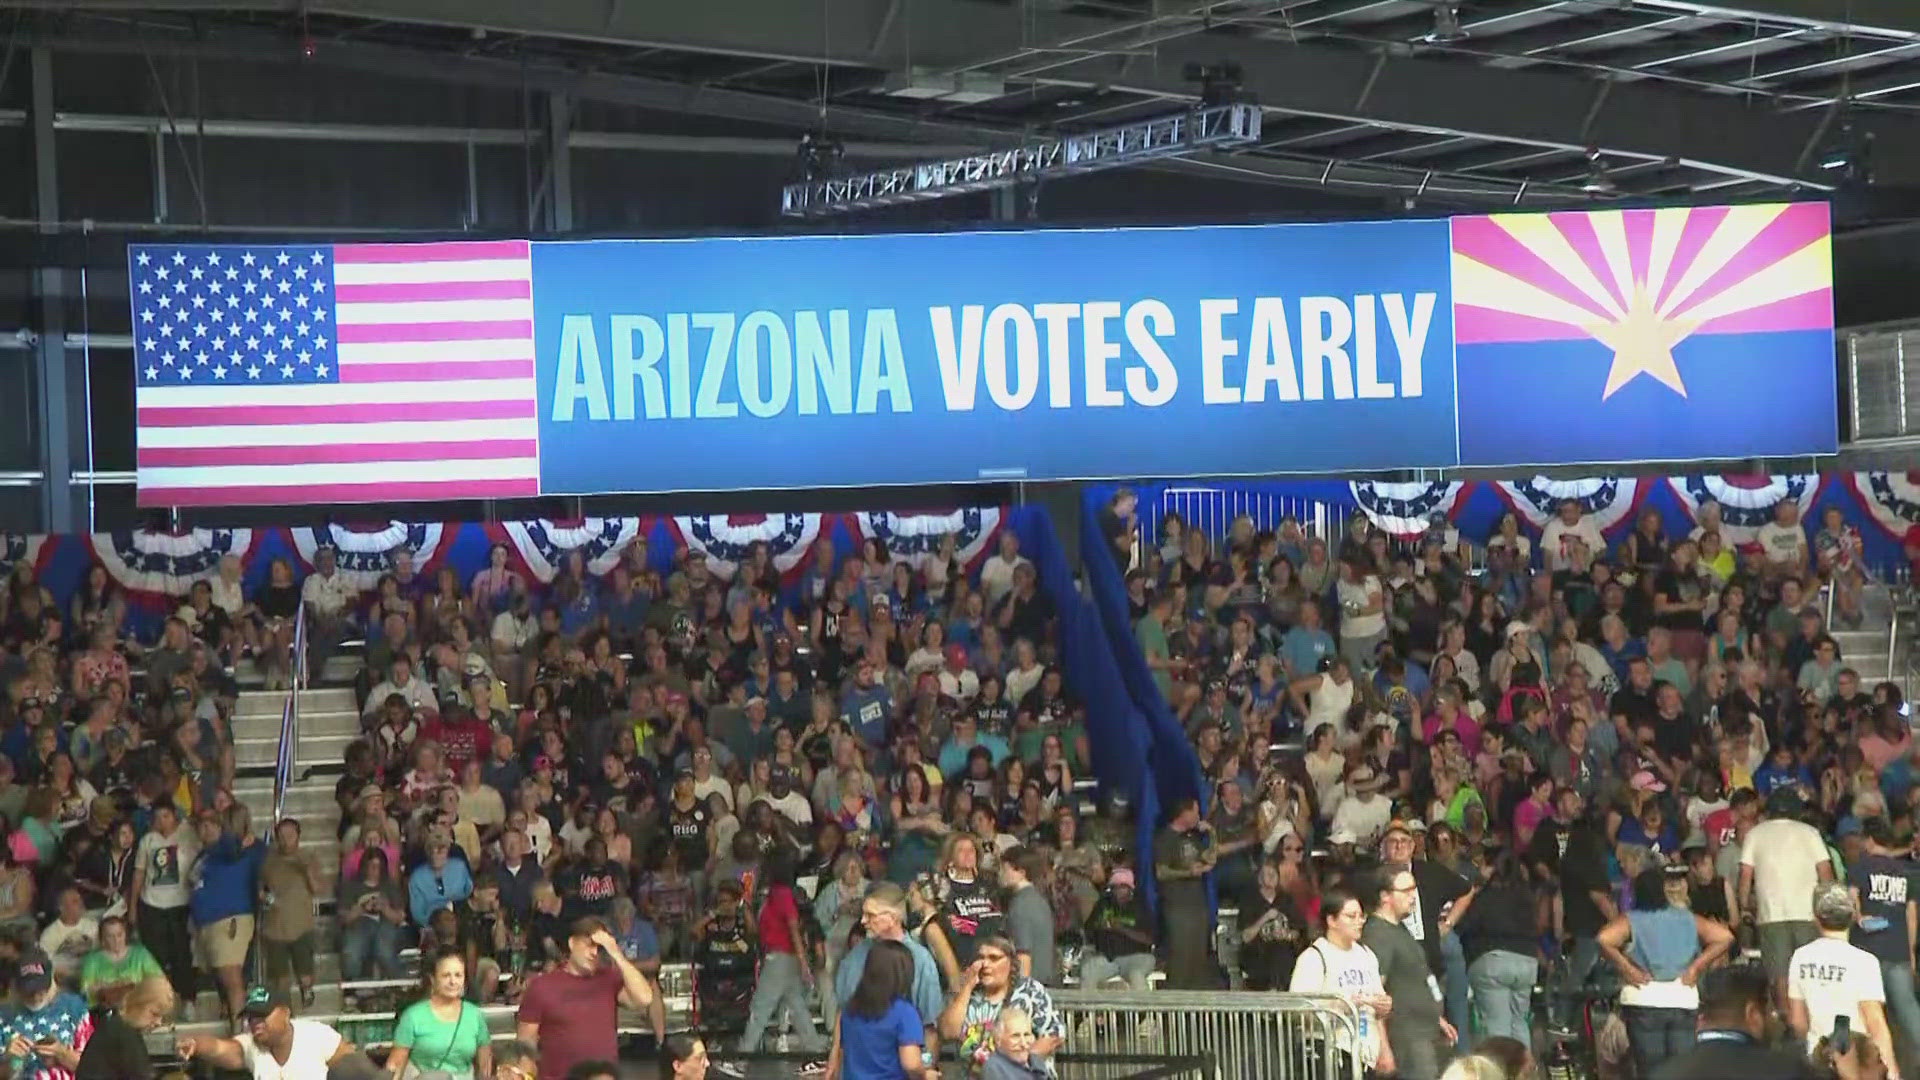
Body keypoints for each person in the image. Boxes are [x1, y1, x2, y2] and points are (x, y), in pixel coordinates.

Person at [1598, 867, 1736, 1078]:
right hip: (1682, 997)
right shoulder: (1687, 918)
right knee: (1682, 1069)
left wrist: (1627, 969)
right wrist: (1695, 968)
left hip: (1643, 999)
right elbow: (1724, 937)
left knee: (1651, 1069)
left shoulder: (1632, 919)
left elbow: (1604, 939)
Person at [516, 917, 655, 1080]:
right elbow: (526, 1042)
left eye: (600, 948)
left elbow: (645, 998)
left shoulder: (609, 978)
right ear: (572, 943)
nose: (594, 953)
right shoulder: (542, 985)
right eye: (589, 945)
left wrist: (616, 953)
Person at [1788, 882, 1901, 1080]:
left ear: (1816, 917)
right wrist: (1892, 1072)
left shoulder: (1800, 957)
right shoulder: (1864, 961)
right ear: (1851, 916)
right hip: (1858, 1061)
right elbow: (1875, 1022)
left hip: (1818, 1060)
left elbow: (1798, 1021)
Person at [1742, 790, 1834, 1008]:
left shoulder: (1755, 834)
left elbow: (1746, 875)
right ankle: (1810, 1018)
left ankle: (1788, 1020)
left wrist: (1745, 904)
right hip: (1808, 913)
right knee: (1809, 970)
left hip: (1770, 914)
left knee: (1780, 973)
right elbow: (1825, 872)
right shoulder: (1810, 832)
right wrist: (1827, 909)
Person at [835, 883, 944, 1065]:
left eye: (871, 915)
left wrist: (925, 1070)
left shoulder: (920, 960)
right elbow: (842, 1013)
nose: (862, 921)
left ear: (893, 918)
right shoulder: (855, 957)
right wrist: (833, 1063)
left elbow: (930, 1027)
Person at [1363, 863, 1453, 1080]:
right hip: (1407, 1038)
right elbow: (1375, 995)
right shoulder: (1378, 935)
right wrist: (1383, 1048)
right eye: (1406, 891)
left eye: (1414, 889)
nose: (1413, 896)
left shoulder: (1398, 928)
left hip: (1424, 1031)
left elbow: (1416, 978)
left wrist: (1437, 1018)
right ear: (1385, 896)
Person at [1289, 884, 1390, 1076]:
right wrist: (1344, 1005)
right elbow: (1298, 1011)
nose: (1359, 922)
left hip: (1366, 1055)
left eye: (1361, 916)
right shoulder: (1314, 957)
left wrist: (1383, 1005)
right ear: (1332, 920)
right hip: (1331, 1053)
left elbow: (1378, 1007)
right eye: (1351, 916)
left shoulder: (1366, 955)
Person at [1650, 965, 1818, 1079]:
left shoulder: (1662, 1074)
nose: (1773, 1018)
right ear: (1752, 1013)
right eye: (1768, 1011)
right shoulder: (1787, 1071)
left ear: (1701, 1019)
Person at [937, 935, 1064, 1077]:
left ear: (1011, 963)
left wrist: (1008, 1067)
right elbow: (947, 1033)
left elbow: (1053, 1036)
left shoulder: (1030, 991)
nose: (985, 964)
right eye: (981, 958)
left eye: (994, 958)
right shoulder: (967, 993)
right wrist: (967, 986)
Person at [736, 852, 824, 1057]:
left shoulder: (782, 894)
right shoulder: (774, 894)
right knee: (797, 1007)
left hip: (780, 958)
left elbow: (793, 928)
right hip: (782, 957)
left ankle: (742, 1057)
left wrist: (803, 964)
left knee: (760, 1007)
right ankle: (816, 1053)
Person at [1850, 817, 1920, 1068]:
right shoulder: (1905, 872)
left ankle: (1869, 1064)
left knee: (1867, 1011)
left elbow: (1851, 902)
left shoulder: (1861, 867)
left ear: (1868, 840)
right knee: (1909, 1010)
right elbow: (1911, 915)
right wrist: (1911, 953)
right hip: (1898, 949)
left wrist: (1859, 918)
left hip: (1867, 951)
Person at [177, 986, 357, 1077]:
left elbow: (356, 1069)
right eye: (251, 1018)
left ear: (285, 1013)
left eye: (262, 1016)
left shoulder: (317, 1036)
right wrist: (196, 1045)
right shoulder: (250, 1045)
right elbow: (218, 1048)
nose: (256, 1023)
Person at [825, 939, 935, 1080]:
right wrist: (926, 1075)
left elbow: (843, 1049)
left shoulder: (849, 1010)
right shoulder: (905, 1013)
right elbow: (911, 1064)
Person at [127, 801, 197, 1017]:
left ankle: (187, 999)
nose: (161, 821)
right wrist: (133, 908)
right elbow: (139, 874)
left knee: (182, 954)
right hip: (152, 904)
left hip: (181, 904)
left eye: (165, 816)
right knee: (156, 956)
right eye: (157, 817)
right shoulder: (147, 840)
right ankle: (160, 1002)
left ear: (174, 816)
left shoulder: (188, 835)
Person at [386, 947, 493, 1080]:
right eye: (446, 976)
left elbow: (485, 1064)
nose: (453, 982)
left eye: (458, 975)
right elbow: (396, 1065)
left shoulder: (475, 1015)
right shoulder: (413, 1016)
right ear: (432, 979)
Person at [1153, 797, 1217, 989]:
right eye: (1195, 812)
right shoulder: (1165, 838)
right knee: (1181, 957)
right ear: (1185, 813)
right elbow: (1161, 872)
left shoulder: (1192, 838)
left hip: (1198, 905)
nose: (1198, 816)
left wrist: (1212, 833)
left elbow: (1211, 858)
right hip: (1177, 907)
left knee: (1198, 958)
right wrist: (1188, 872)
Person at [0, 948, 93, 1080]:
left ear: (52, 980)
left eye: (42, 989)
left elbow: (96, 1069)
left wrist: (63, 1054)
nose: (36, 996)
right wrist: (11, 1061)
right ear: (15, 986)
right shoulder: (3, 1015)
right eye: (29, 991)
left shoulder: (75, 1007)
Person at [73, 975, 172, 1080]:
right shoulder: (123, 1034)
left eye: (161, 1016)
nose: (158, 1023)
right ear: (137, 1004)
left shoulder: (118, 1026)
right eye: (154, 1014)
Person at [1080, 869, 1157, 992]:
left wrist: (1121, 929)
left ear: (1130, 889)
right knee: (1088, 971)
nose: (1118, 891)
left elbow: (1149, 940)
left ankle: (1142, 1010)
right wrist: (1100, 928)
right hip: (1109, 958)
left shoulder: (1140, 907)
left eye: (1122, 887)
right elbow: (1088, 930)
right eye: (1114, 887)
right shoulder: (1103, 905)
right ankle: (1089, 1010)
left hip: (1137, 957)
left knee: (1136, 975)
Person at [998, 846, 1056, 987]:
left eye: (1005, 870)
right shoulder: (1041, 901)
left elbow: (1023, 954)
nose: (1000, 874)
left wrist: (1022, 991)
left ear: (1021, 873)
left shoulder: (1020, 905)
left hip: (1029, 985)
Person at [76, 915, 162, 1008]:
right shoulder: (92, 960)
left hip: (139, 1008)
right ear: (102, 939)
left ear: (125, 934)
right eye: (110, 936)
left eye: (119, 934)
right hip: (105, 1012)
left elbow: (158, 981)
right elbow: (86, 991)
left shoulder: (140, 954)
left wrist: (110, 986)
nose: (116, 940)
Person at [980, 1007, 1046, 1080]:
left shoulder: (1035, 1061)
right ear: (998, 1040)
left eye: (1026, 1035)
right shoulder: (994, 1068)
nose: (1023, 1044)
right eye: (1016, 1036)